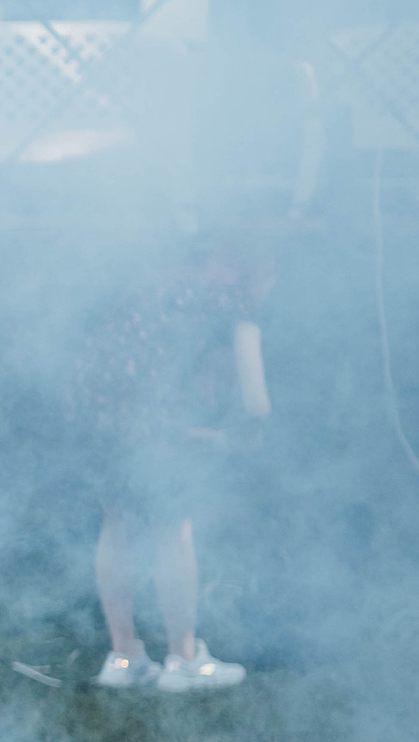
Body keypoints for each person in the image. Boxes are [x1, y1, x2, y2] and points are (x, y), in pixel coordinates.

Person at [73, 241, 272, 692]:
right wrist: (242, 437)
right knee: (171, 529)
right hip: (156, 421)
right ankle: (183, 662)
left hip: (96, 413)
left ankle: (123, 658)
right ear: (245, 266)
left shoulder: (154, 285)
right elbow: (256, 403)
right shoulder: (236, 301)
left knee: (116, 523)